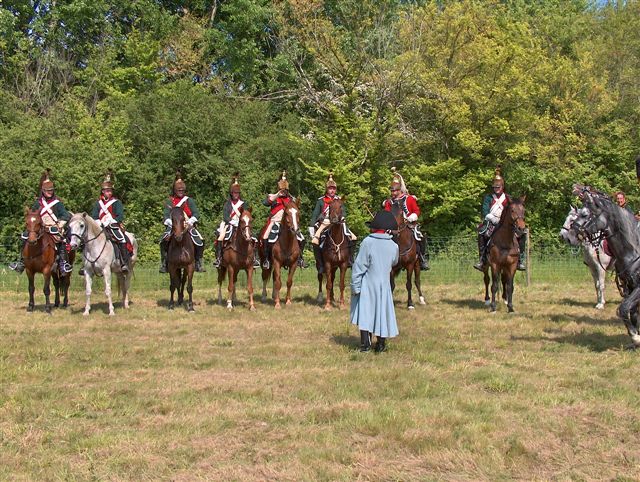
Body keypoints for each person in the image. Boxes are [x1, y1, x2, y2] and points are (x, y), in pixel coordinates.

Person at [350, 210, 399, 353]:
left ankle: (365, 345)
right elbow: (394, 262)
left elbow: (359, 266)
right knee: (382, 313)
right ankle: (381, 345)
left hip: (368, 283)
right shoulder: (394, 246)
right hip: (384, 284)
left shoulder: (368, 242)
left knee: (366, 313)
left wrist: (355, 286)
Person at [9, 169, 72, 274]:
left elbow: (65, 215)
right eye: (48, 190)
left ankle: (63, 263)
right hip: (39, 228)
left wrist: (60, 224)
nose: (50, 192)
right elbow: (32, 214)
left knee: (61, 240)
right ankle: (21, 262)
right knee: (25, 236)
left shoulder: (57, 203)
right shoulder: (38, 203)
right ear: (43, 191)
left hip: (53, 227)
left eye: (51, 190)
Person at [474, 167, 526, 271]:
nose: (496, 189)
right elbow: (485, 211)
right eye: (494, 187)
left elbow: (513, 210)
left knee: (522, 234)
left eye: (498, 187)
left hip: (506, 222)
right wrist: (492, 218)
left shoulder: (508, 198)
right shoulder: (488, 198)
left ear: (502, 186)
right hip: (491, 221)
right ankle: (482, 260)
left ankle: (520, 260)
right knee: (481, 233)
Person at [382, 168, 429, 270]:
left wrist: (411, 218)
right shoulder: (389, 202)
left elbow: (416, 211)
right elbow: (386, 213)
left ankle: (422, 258)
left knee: (420, 237)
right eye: (391, 191)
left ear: (399, 190)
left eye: (394, 191)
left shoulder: (409, 199)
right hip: (393, 226)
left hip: (409, 224)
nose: (392, 193)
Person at [159, 171, 205, 273]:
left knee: (200, 241)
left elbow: (196, 214)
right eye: (178, 190)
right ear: (175, 190)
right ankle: (164, 263)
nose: (180, 191)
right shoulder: (169, 201)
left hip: (187, 225)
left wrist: (190, 222)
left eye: (182, 190)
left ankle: (198, 262)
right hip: (173, 225)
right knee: (163, 241)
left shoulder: (189, 201)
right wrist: (172, 223)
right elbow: (166, 215)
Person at [261, 170, 306, 269]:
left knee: (302, 238)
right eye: (282, 189)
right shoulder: (273, 197)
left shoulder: (291, 199)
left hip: (289, 224)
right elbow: (265, 203)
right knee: (265, 237)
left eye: (285, 190)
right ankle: (267, 259)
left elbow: (297, 209)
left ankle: (300, 258)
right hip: (274, 222)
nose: (283, 191)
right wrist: (277, 194)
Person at [309, 172, 357, 265]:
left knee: (353, 238)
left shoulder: (339, 200)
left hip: (339, 222)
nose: (332, 190)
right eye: (330, 188)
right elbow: (315, 214)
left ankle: (350, 259)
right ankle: (320, 263)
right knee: (315, 241)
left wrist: (342, 217)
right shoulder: (321, 200)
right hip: (325, 222)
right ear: (327, 189)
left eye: (333, 188)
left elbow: (344, 212)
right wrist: (312, 226)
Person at [214, 173, 258, 268]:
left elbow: (246, 214)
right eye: (234, 193)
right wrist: (231, 221)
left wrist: (240, 222)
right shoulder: (228, 204)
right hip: (229, 223)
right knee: (221, 237)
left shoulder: (243, 204)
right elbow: (225, 216)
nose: (236, 195)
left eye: (237, 193)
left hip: (241, 224)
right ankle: (219, 258)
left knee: (254, 237)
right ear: (231, 193)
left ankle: (255, 258)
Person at [89, 172, 130, 272]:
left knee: (122, 239)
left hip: (113, 225)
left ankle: (124, 263)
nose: (109, 193)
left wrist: (111, 221)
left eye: (110, 191)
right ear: (103, 192)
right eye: (107, 191)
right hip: (100, 226)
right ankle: (87, 264)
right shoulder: (98, 204)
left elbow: (120, 215)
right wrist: (99, 222)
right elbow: (94, 215)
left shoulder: (117, 202)